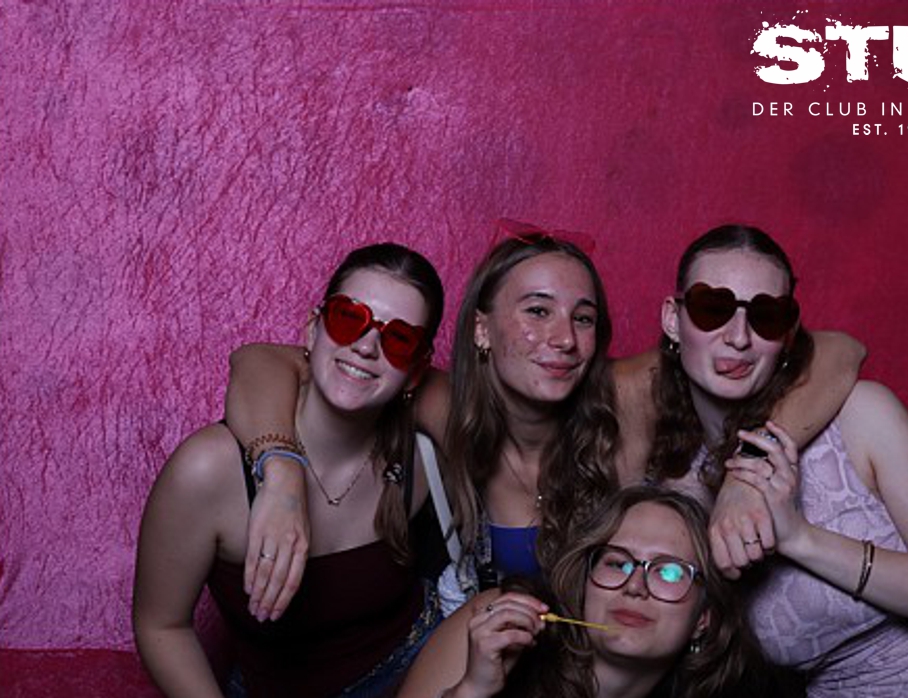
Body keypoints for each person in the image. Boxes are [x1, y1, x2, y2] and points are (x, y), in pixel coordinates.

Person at [223, 221, 866, 619]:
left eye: (583, 318)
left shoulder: (622, 395)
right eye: (536, 311)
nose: (562, 338)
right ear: (482, 328)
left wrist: (747, 477)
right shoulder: (445, 403)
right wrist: (282, 474)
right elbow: (262, 360)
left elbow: (837, 350)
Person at [649, 224, 908, 697]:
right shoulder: (678, 492)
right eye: (713, 309)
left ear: (788, 333)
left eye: (767, 316)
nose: (739, 337)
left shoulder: (860, 416)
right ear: (673, 320)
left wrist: (800, 538)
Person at [133, 243, 453, 698]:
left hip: (419, 670)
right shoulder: (208, 470)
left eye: (399, 340)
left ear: (417, 371)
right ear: (312, 329)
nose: (366, 346)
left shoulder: (419, 455)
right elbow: (161, 625)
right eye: (348, 318)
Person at [415, 486, 770, 698]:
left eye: (669, 572)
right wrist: (472, 690)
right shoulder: (496, 625)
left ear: (703, 620)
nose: (635, 586)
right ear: (584, 584)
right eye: (617, 563)